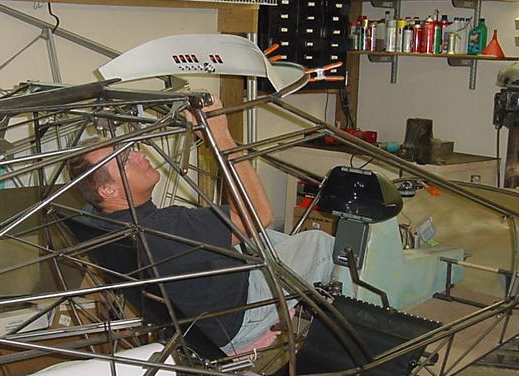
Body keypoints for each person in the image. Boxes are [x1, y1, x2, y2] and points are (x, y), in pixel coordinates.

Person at [67, 94, 334, 356]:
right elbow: (259, 216)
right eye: (125, 159)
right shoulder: (165, 228)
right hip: (237, 315)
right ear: (108, 190)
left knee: (268, 240)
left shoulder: (101, 222)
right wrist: (221, 137)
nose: (138, 153)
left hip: (204, 318)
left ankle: (289, 304)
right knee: (322, 245)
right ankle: (348, 343)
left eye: (129, 147)